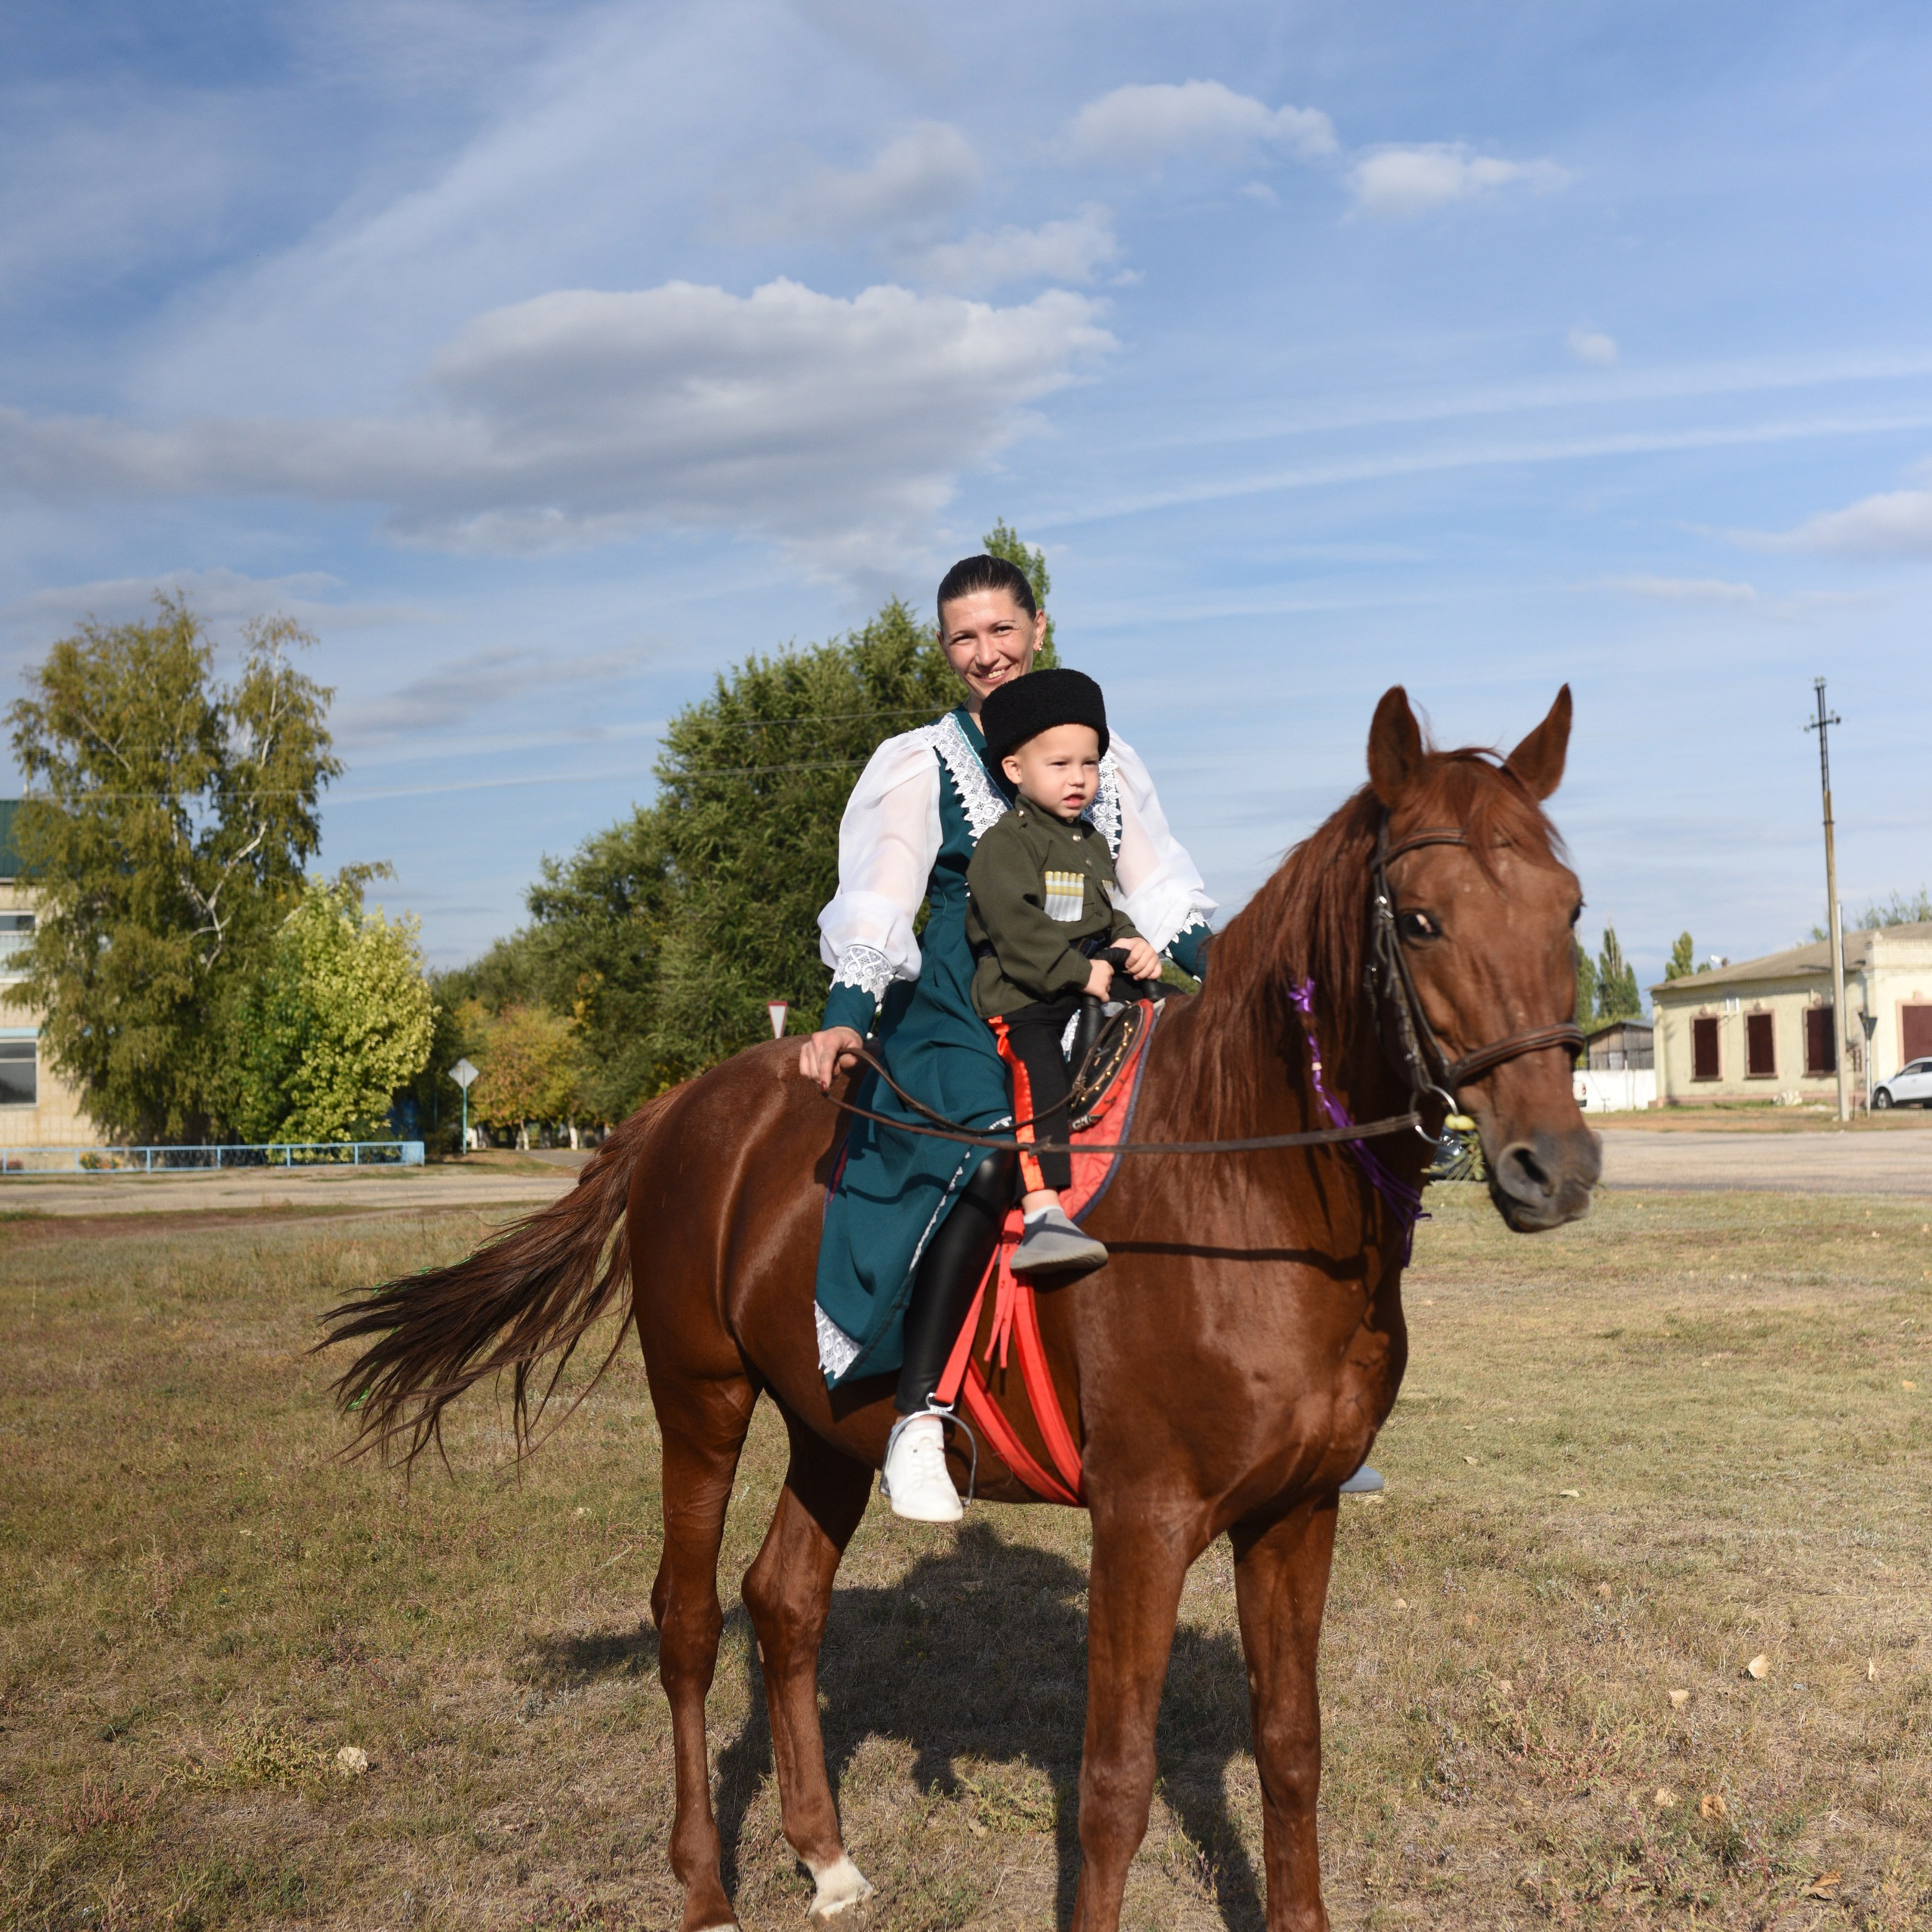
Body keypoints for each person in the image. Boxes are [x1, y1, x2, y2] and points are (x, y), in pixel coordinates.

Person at [799, 555, 1214, 1523]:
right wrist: (846, 1013)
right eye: (963, 637)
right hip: (964, 995)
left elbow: (1157, 886)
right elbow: (883, 890)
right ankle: (918, 1418)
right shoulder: (922, 760)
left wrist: (1229, 976)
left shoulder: (1096, 755)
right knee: (991, 1157)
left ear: (1037, 626)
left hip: (1093, 987)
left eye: (1000, 630)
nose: (984, 653)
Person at [966, 667, 1164, 1276]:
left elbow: (1105, 911)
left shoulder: (1089, 843)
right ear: (1015, 769)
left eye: (1089, 764)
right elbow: (1016, 927)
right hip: (1026, 996)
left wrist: (1132, 942)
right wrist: (1079, 972)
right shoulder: (1005, 845)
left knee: (1166, 1020)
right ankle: (1043, 1210)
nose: (1078, 778)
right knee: (1040, 1076)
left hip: (1087, 979)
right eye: (1059, 765)